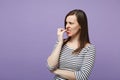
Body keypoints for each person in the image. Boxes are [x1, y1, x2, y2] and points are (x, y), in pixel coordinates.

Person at [47, 9, 96, 80]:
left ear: (81, 25)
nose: (67, 26)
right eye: (66, 23)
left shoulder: (89, 48)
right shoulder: (61, 43)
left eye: (71, 23)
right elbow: (50, 66)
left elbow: (82, 76)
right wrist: (60, 42)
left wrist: (56, 71)